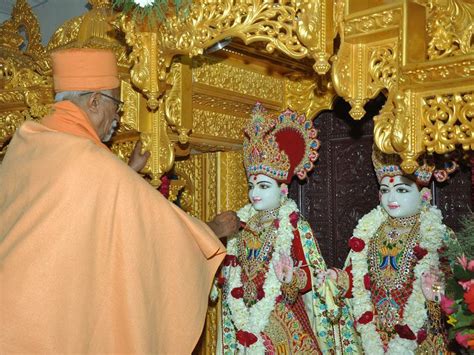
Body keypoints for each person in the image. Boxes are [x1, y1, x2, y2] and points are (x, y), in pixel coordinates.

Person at [0, 48, 239, 354]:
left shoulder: (28, 139)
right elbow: (157, 232)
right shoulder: (90, 161)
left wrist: (127, 172)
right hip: (41, 325)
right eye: (117, 104)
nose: (118, 117)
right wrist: (211, 229)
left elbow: (77, 208)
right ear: (95, 101)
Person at [214, 103, 361, 354]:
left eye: (263, 186)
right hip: (243, 318)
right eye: (252, 185)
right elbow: (230, 267)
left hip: (281, 317)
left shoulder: (293, 224)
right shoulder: (240, 223)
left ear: (282, 190)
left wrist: (291, 277)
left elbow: (312, 276)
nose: (254, 194)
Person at [318, 147, 454, 354]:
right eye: (385, 190)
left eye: (402, 190)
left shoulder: (438, 235)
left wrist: (436, 295)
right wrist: (336, 278)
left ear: (424, 194)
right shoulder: (370, 231)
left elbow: (456, 291)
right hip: (374, 336)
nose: (391, 198)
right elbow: (357, 280)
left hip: (421, 336)